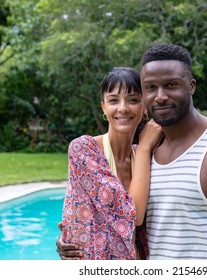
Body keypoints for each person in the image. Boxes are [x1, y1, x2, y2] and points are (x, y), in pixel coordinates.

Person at [57, 44, 207, 260]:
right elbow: (116, 219)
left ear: (191, 86)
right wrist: (73, 237)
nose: (160, 96)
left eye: (171, 85)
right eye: (150, 87)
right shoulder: (148, 152)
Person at [59, 67, 163, 260]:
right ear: (103, 107)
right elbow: (133, 215)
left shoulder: (146, 155)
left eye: (133, 100)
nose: (123, 108)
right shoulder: (84, 149)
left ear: (144, 107)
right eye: (113, 100)